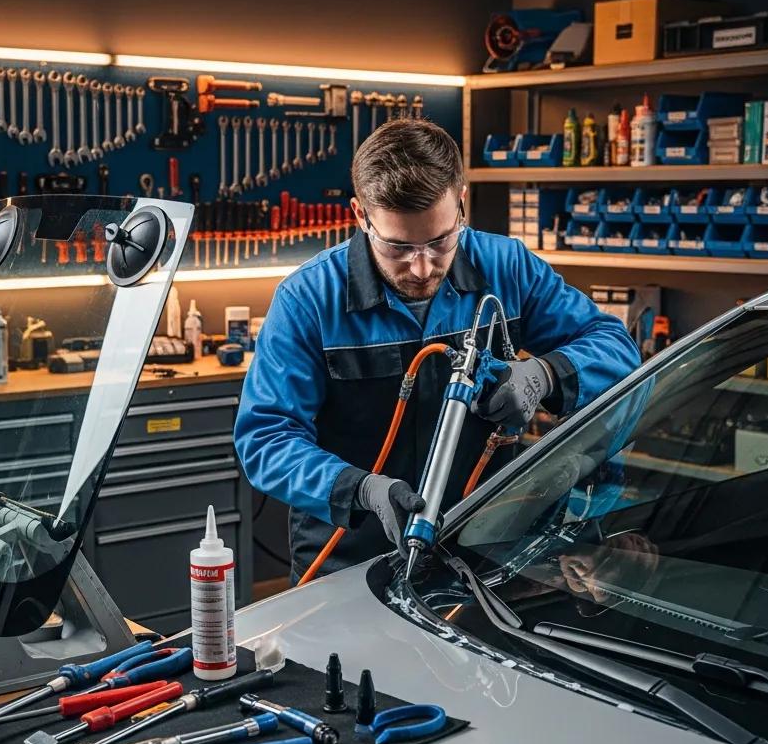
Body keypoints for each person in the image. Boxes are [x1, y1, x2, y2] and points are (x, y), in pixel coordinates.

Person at [234, 118, 640, 583]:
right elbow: (266, 439)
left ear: (461, 203)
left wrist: (544, 375)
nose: (424, 266)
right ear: (360, 216)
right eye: (399, 247)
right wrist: (361, 490)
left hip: (486, 553)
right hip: (352, 561)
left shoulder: (506, 267)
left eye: (440, 240)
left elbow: (614, 346)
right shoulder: (308, 300)